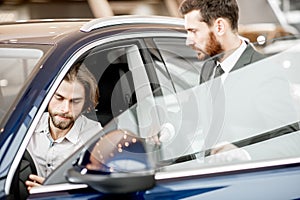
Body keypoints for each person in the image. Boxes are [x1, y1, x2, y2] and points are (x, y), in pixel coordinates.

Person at [178, 0, 299, 161]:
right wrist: (166, 128)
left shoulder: (265, 73)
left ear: (219, 27)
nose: (188, 41)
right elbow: (198, 116)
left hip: (246, 180)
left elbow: (292, 142)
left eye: (193, 31)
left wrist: (244, 155)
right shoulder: (208, 69)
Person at [26, 62, 102, 190]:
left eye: (75, 101)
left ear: (85, 104)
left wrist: (56, 189)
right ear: (47, 96)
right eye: (59, 98)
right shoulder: (27, 126)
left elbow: (99, 188)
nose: (65, 109)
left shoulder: (95, 137)